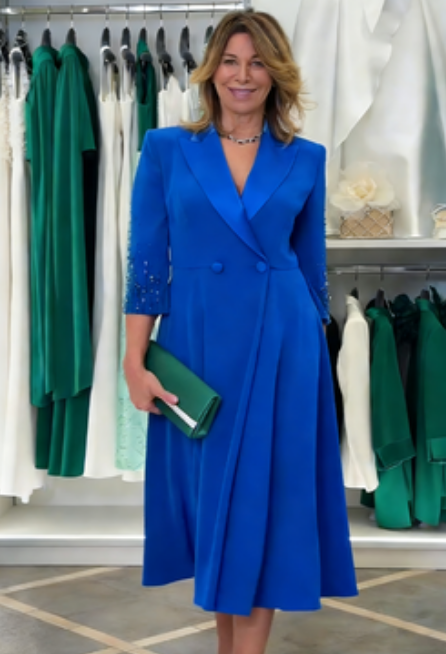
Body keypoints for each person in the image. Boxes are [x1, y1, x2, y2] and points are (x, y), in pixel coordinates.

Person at [124, 9, 358, 654]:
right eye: (230, 61)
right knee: (217, 507)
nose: (243, 75)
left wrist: (312, 363)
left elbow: (311, 272)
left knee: (263, 506)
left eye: (257, 63)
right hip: (198, 346)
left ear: (276, 73)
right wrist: (134, 361)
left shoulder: (305, 158)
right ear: (210, 70)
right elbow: (147, 266)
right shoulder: (166, 149)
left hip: (283, 347)